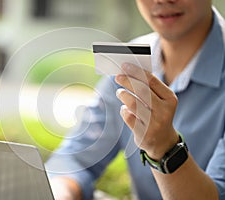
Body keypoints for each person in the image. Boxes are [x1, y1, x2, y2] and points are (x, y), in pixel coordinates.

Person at [46, 0, 225, 199]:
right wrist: (63, 192)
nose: (162, 0)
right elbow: (75, 159)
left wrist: (165, 149)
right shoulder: (129, 61)